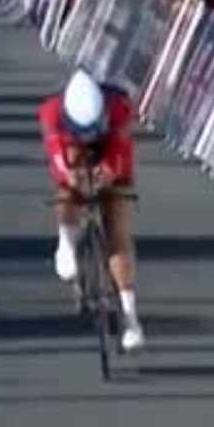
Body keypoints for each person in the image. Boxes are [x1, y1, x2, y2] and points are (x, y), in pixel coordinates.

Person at [38, 70, 145, 351]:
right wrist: (73, 178)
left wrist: (107, 174)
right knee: (68, 189)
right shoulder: (51, 113)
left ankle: (131, 317)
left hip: (108, 145)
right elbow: (57, 160)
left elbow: (120, 155)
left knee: (117, 221)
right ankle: (66, 243)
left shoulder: (119, 108)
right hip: (69, 148)